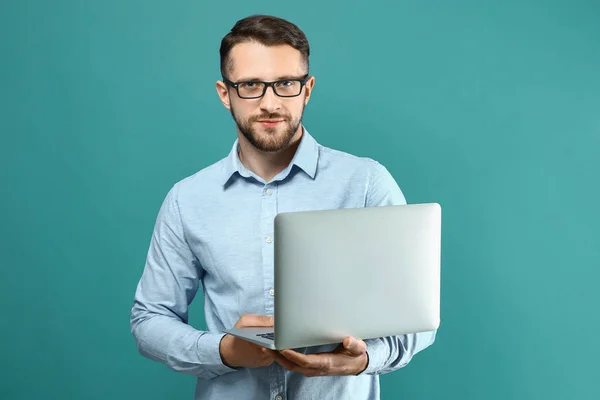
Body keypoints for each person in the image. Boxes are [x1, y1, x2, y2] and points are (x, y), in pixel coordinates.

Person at [130, 14, 437, 400]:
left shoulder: (366, 183)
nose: (270, 103)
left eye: (286, 84)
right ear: (225, 94)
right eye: (251, 86)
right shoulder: (187, 199)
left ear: (307, 89)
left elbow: (418, 320)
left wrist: (362, 360)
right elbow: (150, 319)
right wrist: (224, 351)